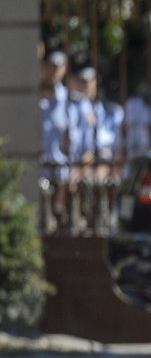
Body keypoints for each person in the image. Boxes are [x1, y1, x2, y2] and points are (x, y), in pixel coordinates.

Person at [65, 50, 125, 233]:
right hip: (70, 177)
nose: (84, 84)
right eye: (79, 79)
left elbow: (115, 151)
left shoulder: (112, 113)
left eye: (88, 79)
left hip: (103, 177)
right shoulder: (64, 110)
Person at [38, 38, 71, 232]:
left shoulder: (71, 103)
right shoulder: (29, 99)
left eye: (57, 66)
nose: (53, 70)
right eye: (49, 65)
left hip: (63, 182)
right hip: (35, 176)